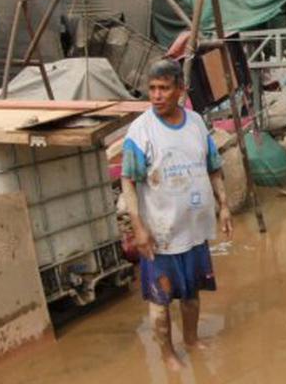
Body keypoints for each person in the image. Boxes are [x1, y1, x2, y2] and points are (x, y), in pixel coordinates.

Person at [121, 60, 233, 370]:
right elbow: (127, 180)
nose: (156, 95)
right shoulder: (140, 131)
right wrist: (138, 228)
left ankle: (191, 339)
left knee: (193, 295)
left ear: (180, 91)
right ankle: (168, 354)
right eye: (152, 89)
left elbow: (213, 166)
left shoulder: (196, 122)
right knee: (160, 301)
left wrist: (223, 205)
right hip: (160, 236)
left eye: (164, 89)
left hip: (194, 230)